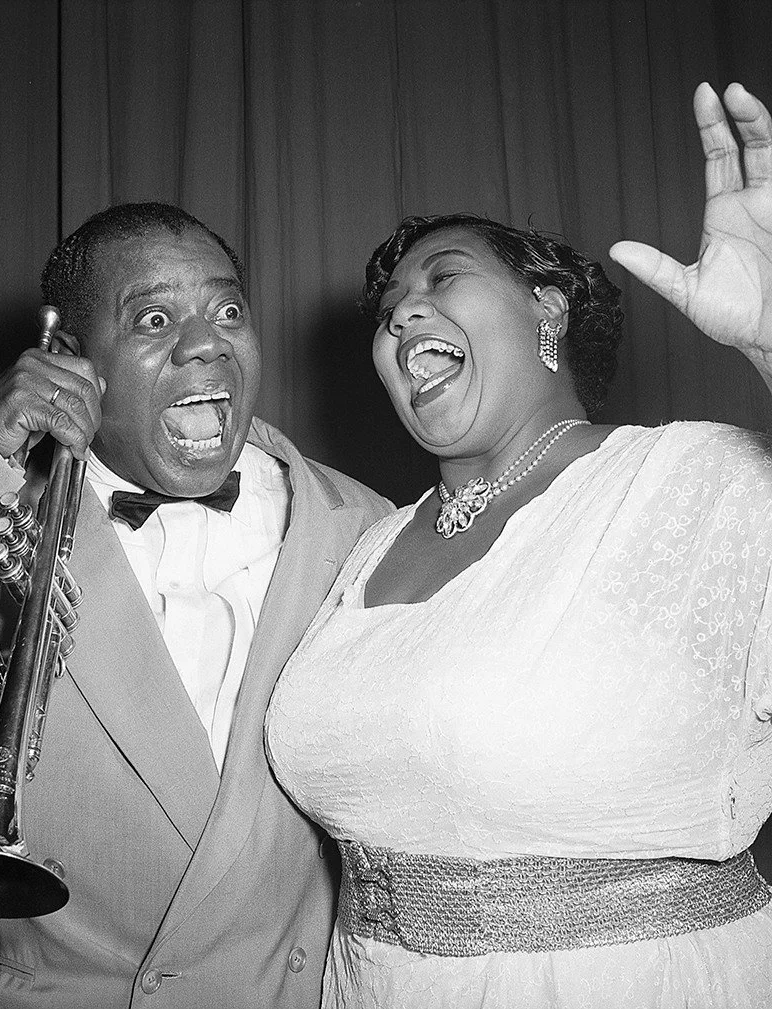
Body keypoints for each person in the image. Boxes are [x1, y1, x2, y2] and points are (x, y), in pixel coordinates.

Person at [0, 202, 391, 1008]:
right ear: (70, 357)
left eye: (228, 308)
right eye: (155, 317)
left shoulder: (366, 526)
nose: (206, 342)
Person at [265, 82, 772, 1008]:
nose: (400, 316)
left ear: (548, 309)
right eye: (387, 310)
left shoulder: (695, 479)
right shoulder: (370, 546)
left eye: (440, 277)